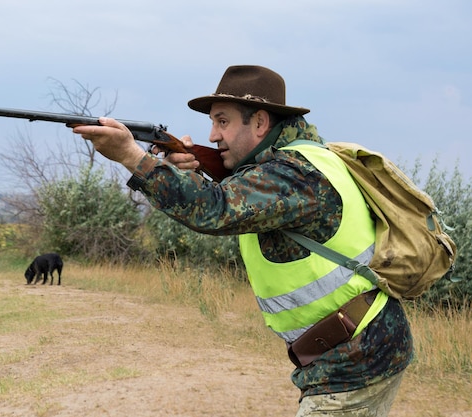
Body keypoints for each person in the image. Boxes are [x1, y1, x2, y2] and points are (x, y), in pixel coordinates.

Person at [73, 65, 414, 416]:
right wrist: (188, 172)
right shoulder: (298, 162)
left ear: (261, 123)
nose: (213, 134)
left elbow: (214, 209)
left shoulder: (290, 174)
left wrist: (132, 156)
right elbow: (233, 200)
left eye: (223, 121)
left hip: (355, 358)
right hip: (352, 351)